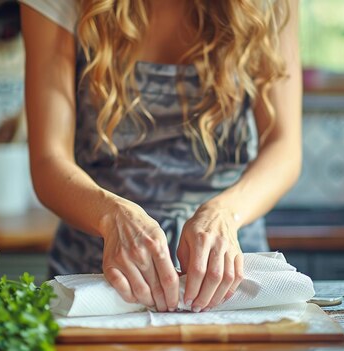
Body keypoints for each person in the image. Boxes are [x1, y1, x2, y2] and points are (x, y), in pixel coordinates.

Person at [20, 0, 301, 314]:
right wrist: (110, 215)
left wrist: (225, 214)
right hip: (97, 285)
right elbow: (48, 159)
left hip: (229, 285)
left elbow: (284, 147)